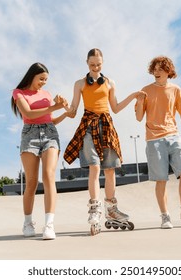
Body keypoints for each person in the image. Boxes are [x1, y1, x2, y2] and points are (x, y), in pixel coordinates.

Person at [64, 48, 144, 235]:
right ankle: (94, 209)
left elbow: (115, 108)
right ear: (87, 63)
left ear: (103, 63)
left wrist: (133, 96)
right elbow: (74, 110)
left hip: (107, 125)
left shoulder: (109, 83)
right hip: (88, 125)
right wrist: (64, 106)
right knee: (94, 167)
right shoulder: (80, 84)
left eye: (98, 64)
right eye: (92, 64)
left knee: (110, 169)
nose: (95, 67)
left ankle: (111, 210)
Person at [135, 55, 181, 229]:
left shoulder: (176, 90)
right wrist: (138, 102)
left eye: (160, 69)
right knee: (161, 180)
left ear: (169, 71)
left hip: (174, 136)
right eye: (155, 69)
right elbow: (138, 118)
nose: (156, 72)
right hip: (154, 139)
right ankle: (165, 217)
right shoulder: (145, 90)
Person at [11, 62, 68, 240]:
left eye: (46, 80)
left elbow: (49, 119)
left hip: (50, 134)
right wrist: (54, 107)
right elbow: (28, 114)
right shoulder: (18, 93)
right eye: (41, 79)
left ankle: (49, 225)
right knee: (32, 182)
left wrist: (65, 112)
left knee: (49, 175)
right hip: (30, 136)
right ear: (32, 76)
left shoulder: (46, 94)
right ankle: (28, 222)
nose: (44, 83)